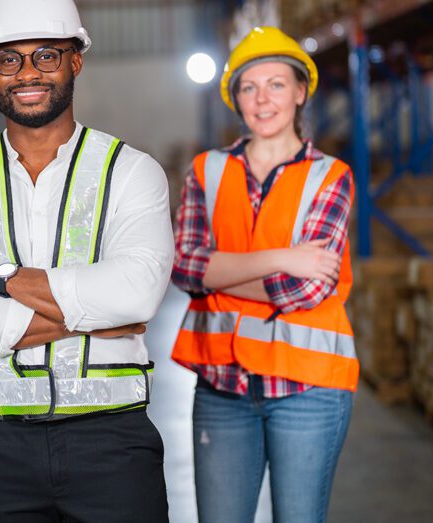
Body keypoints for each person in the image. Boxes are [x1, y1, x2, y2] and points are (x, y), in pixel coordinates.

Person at [0, 0, 173, 522]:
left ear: (76, 60)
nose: (27, 74)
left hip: (113, 443)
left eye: (46, 56)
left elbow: (138, 293)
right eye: (10, 59)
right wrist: (94, 318)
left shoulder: (130, 173)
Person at [170, 26, 357, 523]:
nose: (263, 99)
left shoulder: (330, 175)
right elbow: (184, 267)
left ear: (300, 92)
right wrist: (282, 258)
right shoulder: (205, 171)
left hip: (308, 389)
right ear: (236, 99)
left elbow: (309, 286)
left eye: (277, 84)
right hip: (222, 387)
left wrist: (221, 273)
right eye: (249, 87)